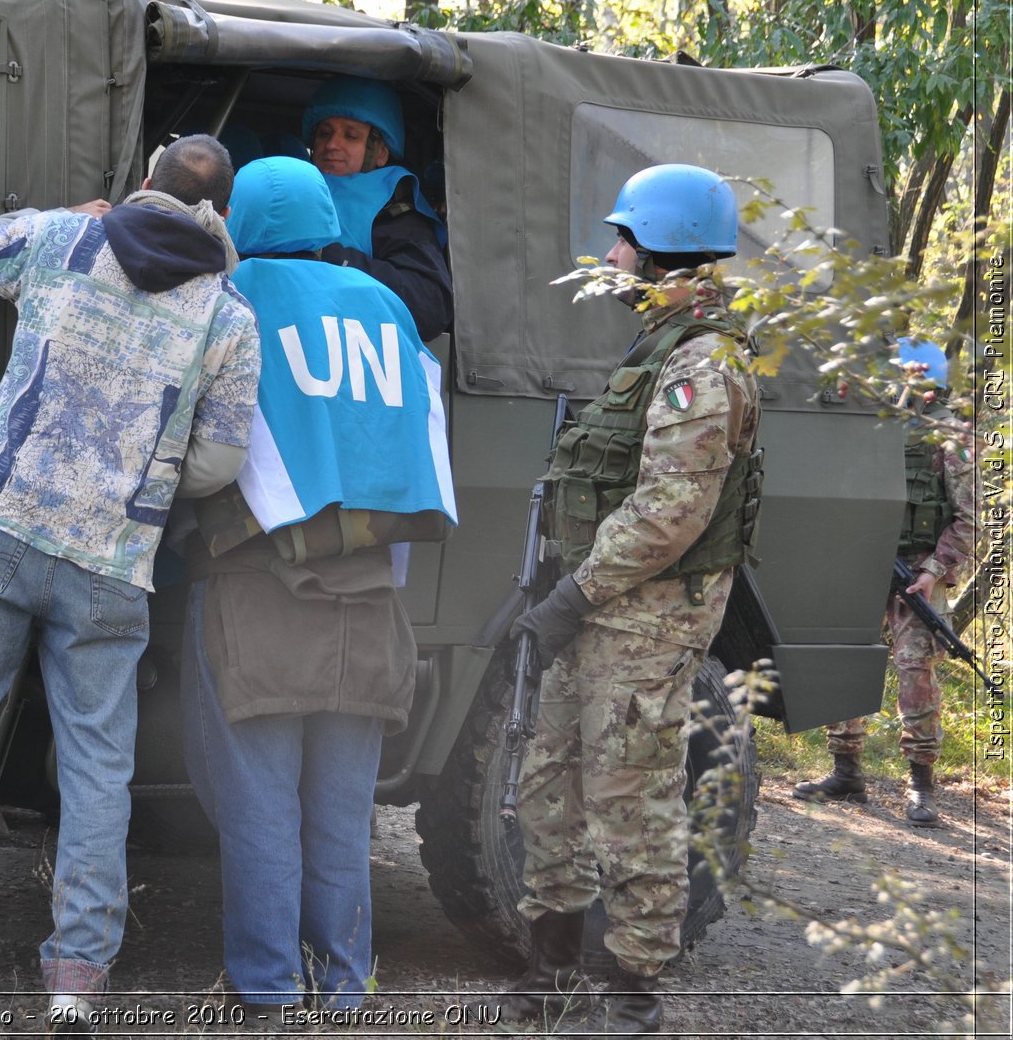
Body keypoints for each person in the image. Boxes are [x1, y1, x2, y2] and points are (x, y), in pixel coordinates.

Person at [0, 134, 260, 1034]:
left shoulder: (62, 240)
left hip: (0, 528)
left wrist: (65, 216)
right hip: (113, 559)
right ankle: (76, 979)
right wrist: (147, 474)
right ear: (220, 214)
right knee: (95, 765)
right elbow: (219, 462)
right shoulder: (229, 316)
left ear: (144, 178)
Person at [180, 156, 456, 1014]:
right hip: (372, 599)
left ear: (244, 218)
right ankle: (343, 984)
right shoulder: (387, 305)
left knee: (259, 802)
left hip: (255, 593)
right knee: (342, 811)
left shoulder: (232, 297)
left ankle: (266, 988)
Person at [503, 164, 762, 1034]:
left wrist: (573, 593)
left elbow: (672, 511)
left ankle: (633, 990)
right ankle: (551, 968)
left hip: (645, 616)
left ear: (662, 254)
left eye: (624, 240)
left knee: (633, 798)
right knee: (550, 783)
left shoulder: (704, 363)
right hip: (597, 606)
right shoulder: (660, 354)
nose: (611, 255)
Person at [793, 338, 975, 827]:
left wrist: (932, 571)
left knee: (916, 671)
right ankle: (846, 772)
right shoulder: (865, 429)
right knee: (846, 659)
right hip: (858, 559)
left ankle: (921, 786)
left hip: (918, 570)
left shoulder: (950, 436)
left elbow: (971, 517)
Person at [302, 76, 452, 342]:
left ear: (380, 153)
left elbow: (429, 307)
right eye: (324, 133)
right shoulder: (289, 193)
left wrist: (328, 257)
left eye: (350, 135)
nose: (332, 144)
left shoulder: (395, 213)